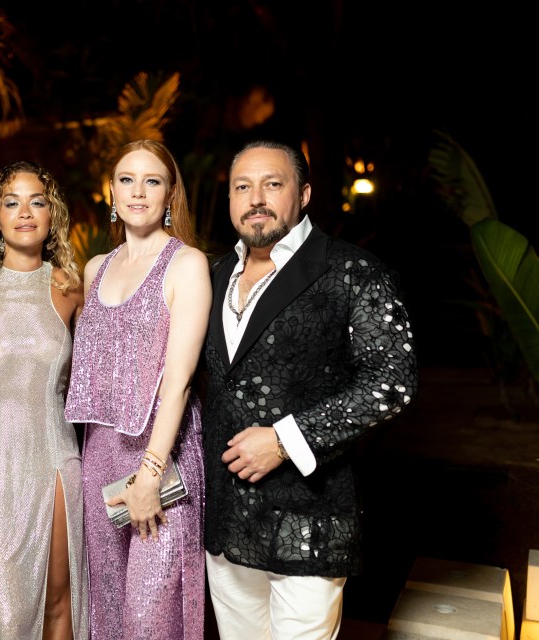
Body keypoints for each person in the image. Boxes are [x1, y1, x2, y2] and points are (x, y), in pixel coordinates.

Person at [200, 140, 419, 639]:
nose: (255, 198)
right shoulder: (211, 275)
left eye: (272, 184)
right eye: (242, 186)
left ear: (303, 194)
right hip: (226, 521)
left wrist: (283, 440)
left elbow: (392, 383)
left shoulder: (352, 271)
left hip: (310, 521)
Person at [64, 139, 211, 639]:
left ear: (171, 194)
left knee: (152, 616)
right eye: (127, 179)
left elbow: (180, 381)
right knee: (106, 606)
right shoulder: (95, 269)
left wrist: (150, 473)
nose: (138, 192)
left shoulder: (186, 263)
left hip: (160, 455)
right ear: (112, 190)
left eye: (152, 181)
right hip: (100, 454)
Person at [0, 160, 88, 639]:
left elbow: (100, 375)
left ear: (52, 214)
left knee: (59, 601)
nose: (25, 212)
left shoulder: (70, 288)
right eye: (11, 202)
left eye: (38, 201)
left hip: (53, 458)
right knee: (6, 613)